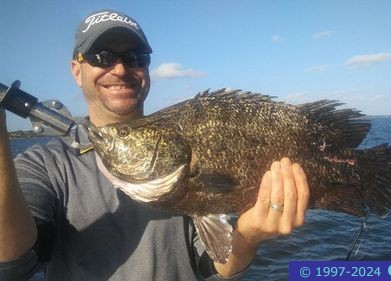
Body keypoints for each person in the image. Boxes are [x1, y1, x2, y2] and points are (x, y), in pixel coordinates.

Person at [0, 9, 310, 280]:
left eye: (135, 57)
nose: (121, 69)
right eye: (102, 57)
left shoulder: (182, 151)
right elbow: (13, 264)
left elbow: (212, 268)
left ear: (147, 69)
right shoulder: (43, 165)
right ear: (76, 70)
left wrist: (248, 236)